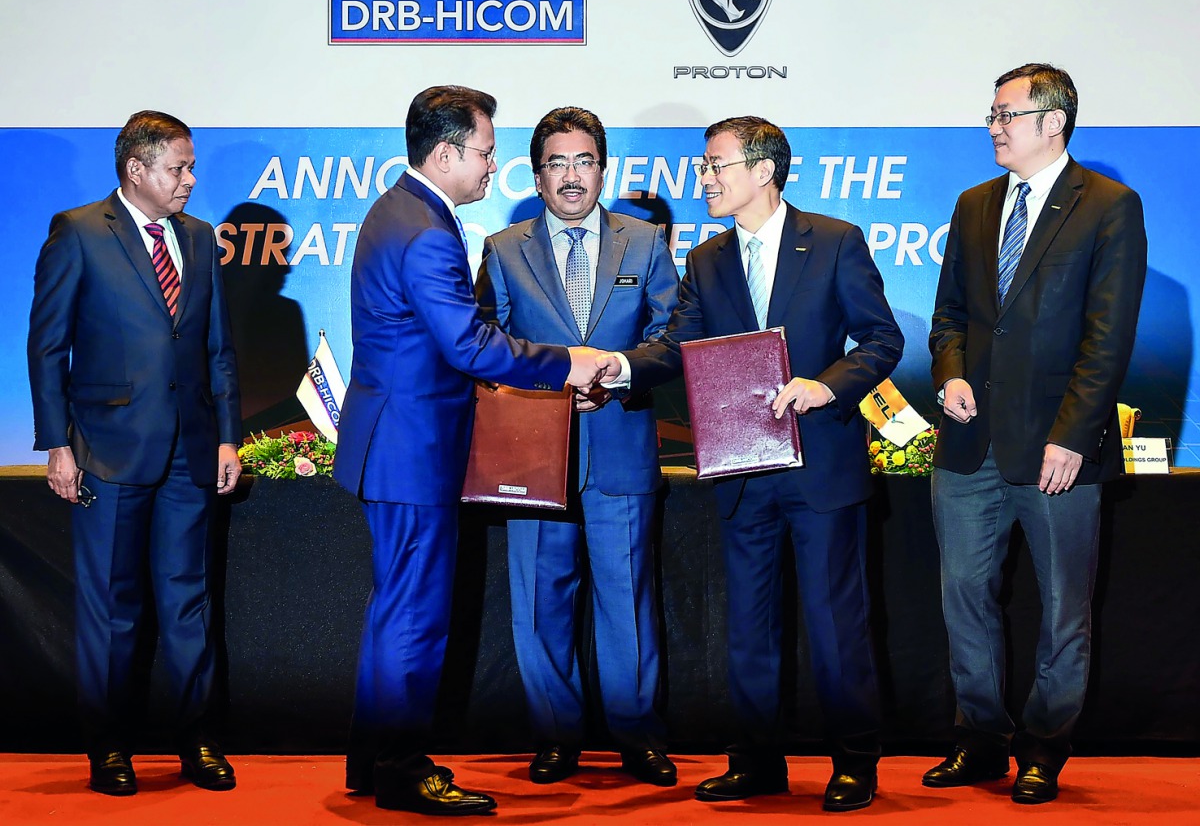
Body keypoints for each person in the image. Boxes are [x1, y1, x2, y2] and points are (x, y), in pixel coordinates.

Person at [332, 86, 614, 816]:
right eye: (487, 151)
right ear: (448, 151)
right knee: (416, 615)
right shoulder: (425, 229)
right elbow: (468, 343)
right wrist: (567, 361)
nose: (495, 165)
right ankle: (399, 766)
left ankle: (373, 758)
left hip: (396, 445)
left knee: (396, 608)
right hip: (412, 450)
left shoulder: (399, 209)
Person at [627, 116, 903, 811]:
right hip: (742, 469)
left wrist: (827, 386)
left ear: (763, 171)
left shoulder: (836, 241)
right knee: (749, 625)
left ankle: (854, 762)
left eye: (716, 164)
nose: (705, 177)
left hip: (821, 466)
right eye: (704, 165)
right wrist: (615, 367)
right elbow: (673, 347)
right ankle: (755, 760)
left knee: (837, 623)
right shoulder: (707, 258)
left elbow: (881, 338)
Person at [925, 63, 1146, 804]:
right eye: (991, 113)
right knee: (964, 593)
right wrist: (951, 371)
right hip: (967, 443)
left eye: (1006, 113)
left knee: (1062, 607)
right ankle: (981, 739)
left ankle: (1046, 745)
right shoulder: (973, 203)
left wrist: (1074, 434)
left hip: (1057, 446)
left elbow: (1107, 339)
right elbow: (949, 313)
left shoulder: (1110, 206)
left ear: (1053, 121)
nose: (993, 125)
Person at [27, 110, 242, 796]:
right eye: (179, 166)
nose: (191, 178)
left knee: (189, 604)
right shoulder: (80, 232)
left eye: (190, 165)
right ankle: (108, 746)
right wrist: (57, 443)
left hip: (192, 451)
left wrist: (229, 434)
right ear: (137, 170)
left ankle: (197, 738)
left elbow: (217, 348)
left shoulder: (202, 240)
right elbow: (47, 346)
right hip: (108, 454)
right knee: (112, 609)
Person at [475, 107, 680, 787]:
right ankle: (557, 737)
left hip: (620, 452)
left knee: (628, 604)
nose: (571, 176)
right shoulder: (503, 250)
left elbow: (671, 340)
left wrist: (615, 372)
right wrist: (554, 379)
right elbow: (486, 350)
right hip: (533, 458)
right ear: (536, 175)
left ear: (603, 168)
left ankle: (636, 735)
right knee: (541, 604)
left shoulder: (645, 243)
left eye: (584, 161)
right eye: (557, 163)